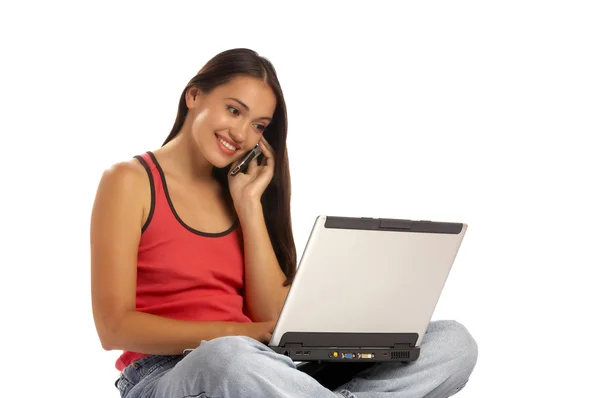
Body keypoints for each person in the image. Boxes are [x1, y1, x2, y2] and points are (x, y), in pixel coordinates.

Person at [90, 48, 478, 398]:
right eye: (234, 110)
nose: (241, 134)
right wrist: (241, 337)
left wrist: (248, 206)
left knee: (453, 342)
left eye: (258, 125)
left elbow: (271, 319)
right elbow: (114, 328)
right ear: (194, 96)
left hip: (269, 373)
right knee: (229, 357)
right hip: (171, 374)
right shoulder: (129, 181)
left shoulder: (243, 192)